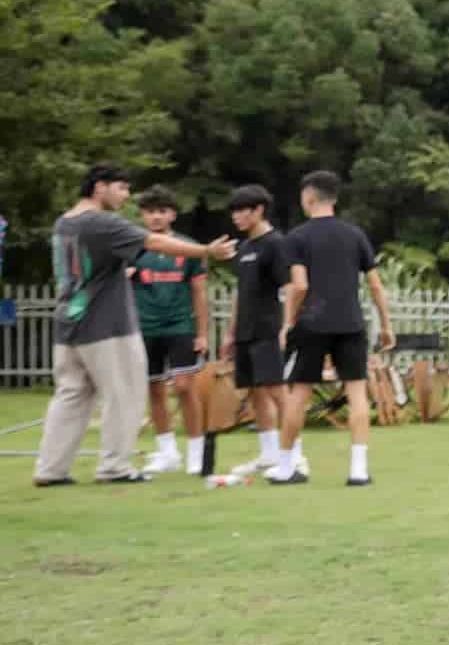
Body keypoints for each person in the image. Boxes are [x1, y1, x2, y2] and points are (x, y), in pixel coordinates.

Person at [34, 165, 234, 486]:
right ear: (100, 187)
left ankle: (50, 470)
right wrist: (206, 250)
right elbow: (155, 243)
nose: (126, 196)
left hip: (68, 325)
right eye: (122, 188)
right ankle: (115, 468)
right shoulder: (102, 222)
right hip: (106, 326)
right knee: (124, 395)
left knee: (70, 396)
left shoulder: (64, 222)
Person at [275, 171, 395, 487]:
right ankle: (358, 470)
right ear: (335, 198)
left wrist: (288, 322)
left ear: (309, 198)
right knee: (356, 393)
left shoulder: (297, 238)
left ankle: (286, 467)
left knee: (298, 394)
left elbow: (299, 286)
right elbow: (376, 286)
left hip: (312, 322)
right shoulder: (355, 235)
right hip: (350, 323)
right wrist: (386, 326)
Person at [131, 185, 211, 476]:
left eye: (161, 211)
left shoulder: (188, 248)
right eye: (150, 212)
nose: (155, 217)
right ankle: (167, 453)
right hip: (144, 327)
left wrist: (202, 333)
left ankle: (196, 452)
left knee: (183, 387)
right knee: (154, 389)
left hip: (179, 325)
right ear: (143, 216)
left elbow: (200, 293)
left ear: (172, 214)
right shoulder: (133, 248)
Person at [222, 185, 296, 476]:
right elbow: (242, 292)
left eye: (242, 211)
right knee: (255, 392)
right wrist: (230, 332)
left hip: (268, 328)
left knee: (277, 390)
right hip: (245, 331)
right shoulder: (243, 248)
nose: (236, 217)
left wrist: (287, 325)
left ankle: (294, 455)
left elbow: (290, 287)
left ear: (258, 211)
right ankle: (269, 454)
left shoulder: (276, 243)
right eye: (234, 211)